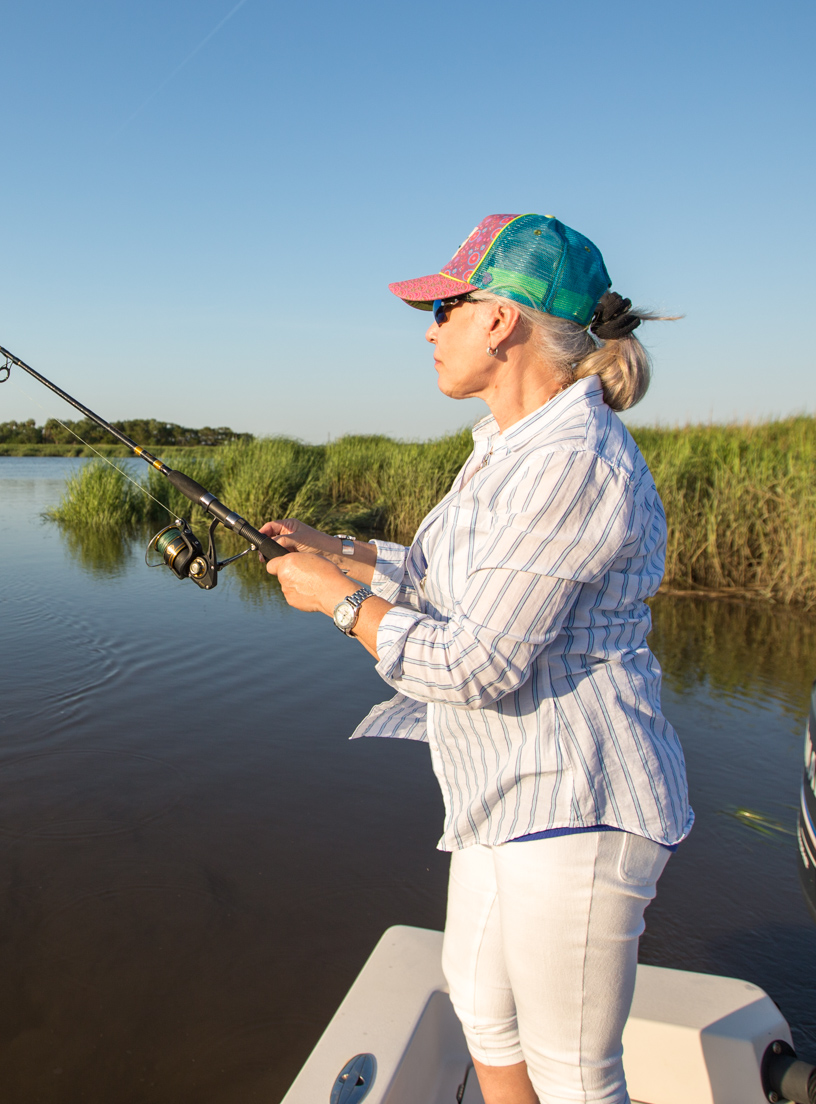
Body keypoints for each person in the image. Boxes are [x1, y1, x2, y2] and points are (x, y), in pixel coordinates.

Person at [261, 214, 692, 1104]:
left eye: (446, 309)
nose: (431, 330)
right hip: (502, 792)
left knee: (575, 1074)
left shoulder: (572, 460)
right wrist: (337, 549)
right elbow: (451, 577)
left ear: (500, 321)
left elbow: (474, 665)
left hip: (577, 799)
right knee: (484, 1016)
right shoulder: (508, 446)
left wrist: (338, 600)